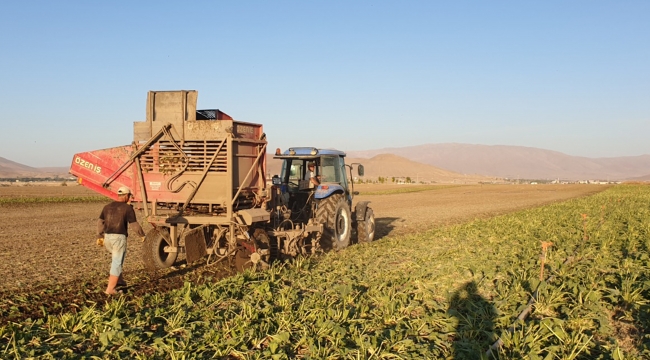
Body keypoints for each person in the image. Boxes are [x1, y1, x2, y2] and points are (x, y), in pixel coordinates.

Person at [96, 186, 145, 295]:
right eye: (129, 196)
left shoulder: (107, 207)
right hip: (118, 238)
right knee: (117, 263)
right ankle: (110, 289)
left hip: (107, 237)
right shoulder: (127, 208)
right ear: (127, 196)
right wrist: (142, 235)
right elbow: (134, 225)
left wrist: (99, 236)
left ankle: (120, 280)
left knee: (115, 260)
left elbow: (100, 222)